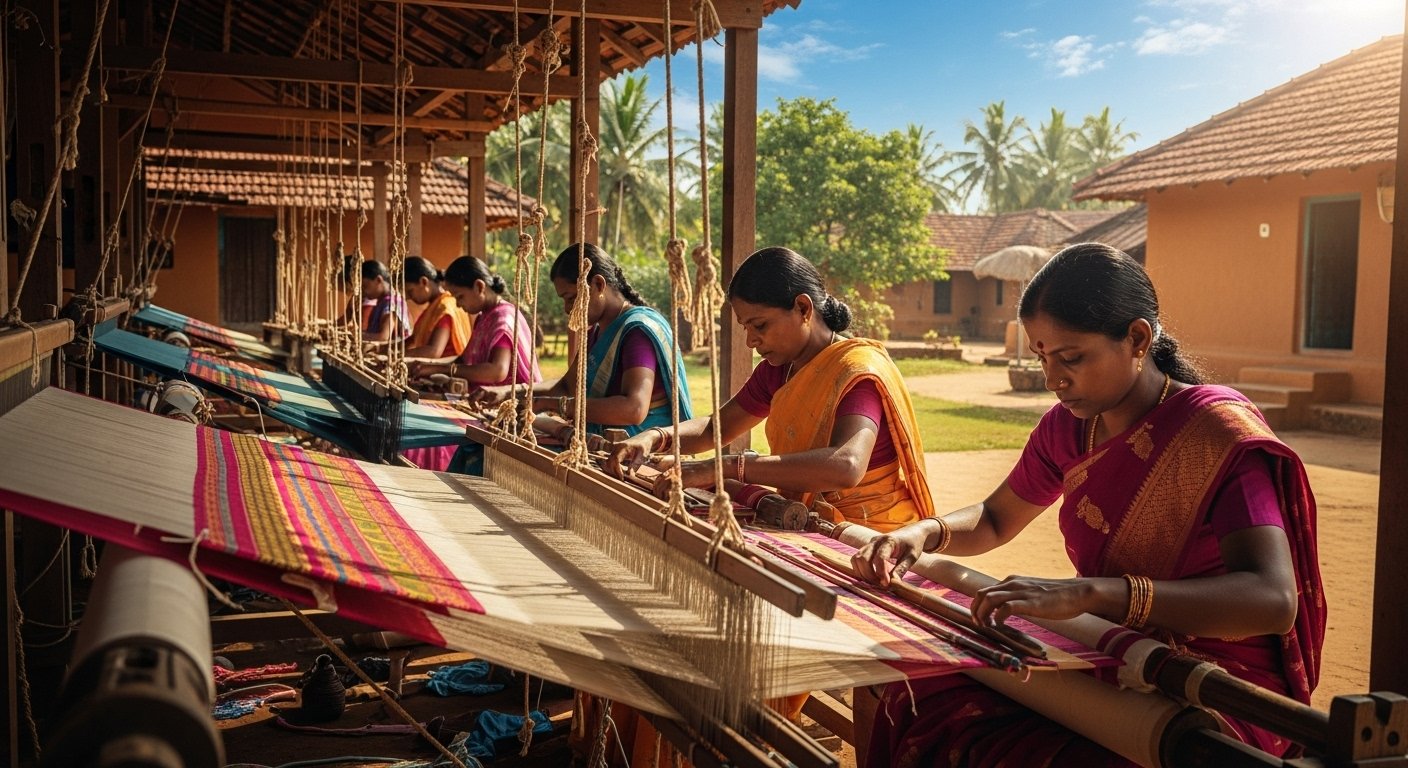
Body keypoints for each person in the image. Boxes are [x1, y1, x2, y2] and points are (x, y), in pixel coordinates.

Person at [851, 243, 1326, 767]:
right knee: (909, 693)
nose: (1054, 379)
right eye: (1042, 357)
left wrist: (1090, 594)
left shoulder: (1214, 437)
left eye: (1071, 358)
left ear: (1138, 338)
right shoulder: (1070, 428)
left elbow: (1273, 599)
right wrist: (923, 533)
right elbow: (994, 519)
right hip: (1114, 654)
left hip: (1213, 691)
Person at [605, 245, 935, 533]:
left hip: (871, 537)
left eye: (759, 325)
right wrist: (654, 437)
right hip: (809, 525)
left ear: (804, 309)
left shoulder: (855, 372)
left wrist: (727, 467)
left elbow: (846, 465)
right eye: (746, 327)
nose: (751, 341)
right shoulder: (778, 372)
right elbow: (714, 429)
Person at [473, 242, 691, 438]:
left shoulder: (636, 332)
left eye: (571, 298)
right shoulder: (596, 332)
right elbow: (568, 387)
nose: (568, 309)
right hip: (602, 444)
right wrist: (510, 393)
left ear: (597, 284)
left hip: (639, 455)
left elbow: (633, 408)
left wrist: (554, 405)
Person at [410, 256, 540, 388]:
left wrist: (443, 370)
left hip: (511, 405)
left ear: (479, 287)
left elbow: (497, 370)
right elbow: (463, 360)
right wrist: (429, 367)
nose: (458, 305)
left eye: (460, 297)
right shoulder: (483, 317)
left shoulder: (503, 318)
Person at [403, 256, 472, 359]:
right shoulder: (432, 308)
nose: (408, 297)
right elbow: (413, 339)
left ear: (423, 282)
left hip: (446, 370)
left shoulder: (445, 307)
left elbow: (434, 351)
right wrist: (384, 350)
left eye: (410, 291)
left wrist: (397, 356)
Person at [361, 259, 410, 342]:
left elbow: (383, 337)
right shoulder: (382, 302)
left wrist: (357, 336)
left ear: (378, 280)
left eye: (365, 286)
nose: (363, 291)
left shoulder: (392, 302)